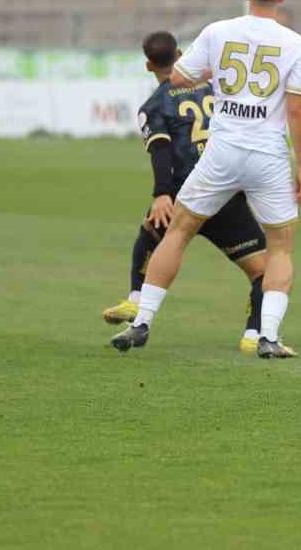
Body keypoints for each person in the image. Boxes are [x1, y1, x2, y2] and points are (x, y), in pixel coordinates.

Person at [110, 0, 301, 359]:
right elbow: (296, 111)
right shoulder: (296, 44)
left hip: (223, 150)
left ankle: (142, 321)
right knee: (280, 247)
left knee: (179, 231)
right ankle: (267, 336)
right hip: (267, 154)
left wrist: (215, 76)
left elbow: (179, 78)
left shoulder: (219, 31)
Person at [101, 30, 270, 352]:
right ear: (180, 55)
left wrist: (161, 194)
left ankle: (138, 304)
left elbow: (161, 152)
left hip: (187, 195)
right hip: (227, 192)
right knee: (263, 272)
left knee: (151, 233)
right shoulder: (215, 89)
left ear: (149, 65)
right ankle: (253, 334)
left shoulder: (154, 105)